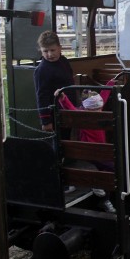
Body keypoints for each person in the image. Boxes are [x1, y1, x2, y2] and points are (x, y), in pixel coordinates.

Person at [55, 83, 117, 213]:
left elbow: (103, 97)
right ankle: (99, 189)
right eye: (96, 110)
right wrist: (63, 98)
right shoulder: (82, 116)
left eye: (100, 109)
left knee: (110, 170)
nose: (99, 112)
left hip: (100, 151)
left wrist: (111, 83)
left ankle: (104, 196)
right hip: (89, 151)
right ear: (88, 109)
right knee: (111, 170)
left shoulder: (96, 108)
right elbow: (70, 109)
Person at [34, 30, 75, 133]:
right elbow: (42, 96)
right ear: (40, 50)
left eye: (53, 50)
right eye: (45, 51)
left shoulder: (64, 61)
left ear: (60, 48)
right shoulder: (42, 70)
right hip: (55, 114)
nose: (50, 54)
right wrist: (46, 121)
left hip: (68, 108)